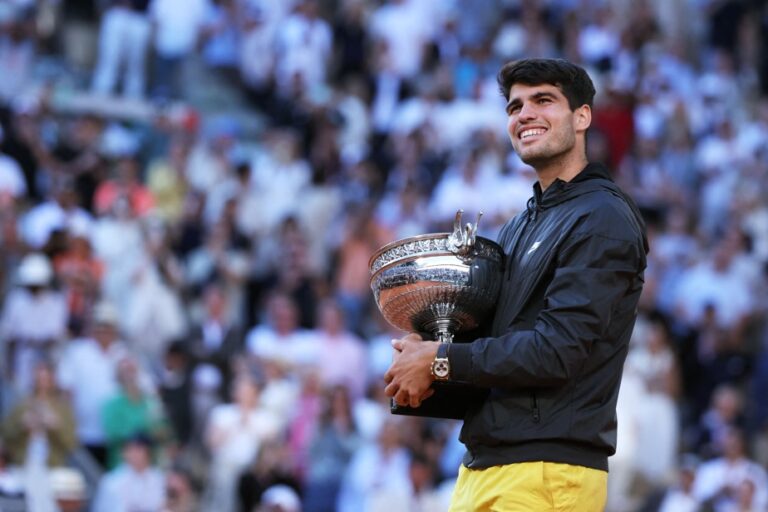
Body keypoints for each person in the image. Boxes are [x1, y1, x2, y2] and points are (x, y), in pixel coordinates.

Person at [383, 58, 648, 511]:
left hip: (548, 474)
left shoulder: (602, 217)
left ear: (582, 117)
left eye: (543, 100)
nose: (524, 114)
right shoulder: (521, 223)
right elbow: (495, 350)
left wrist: (442, 360)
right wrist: (428, 356)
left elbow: (559, 350)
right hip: (484, 466)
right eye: (514, 106)